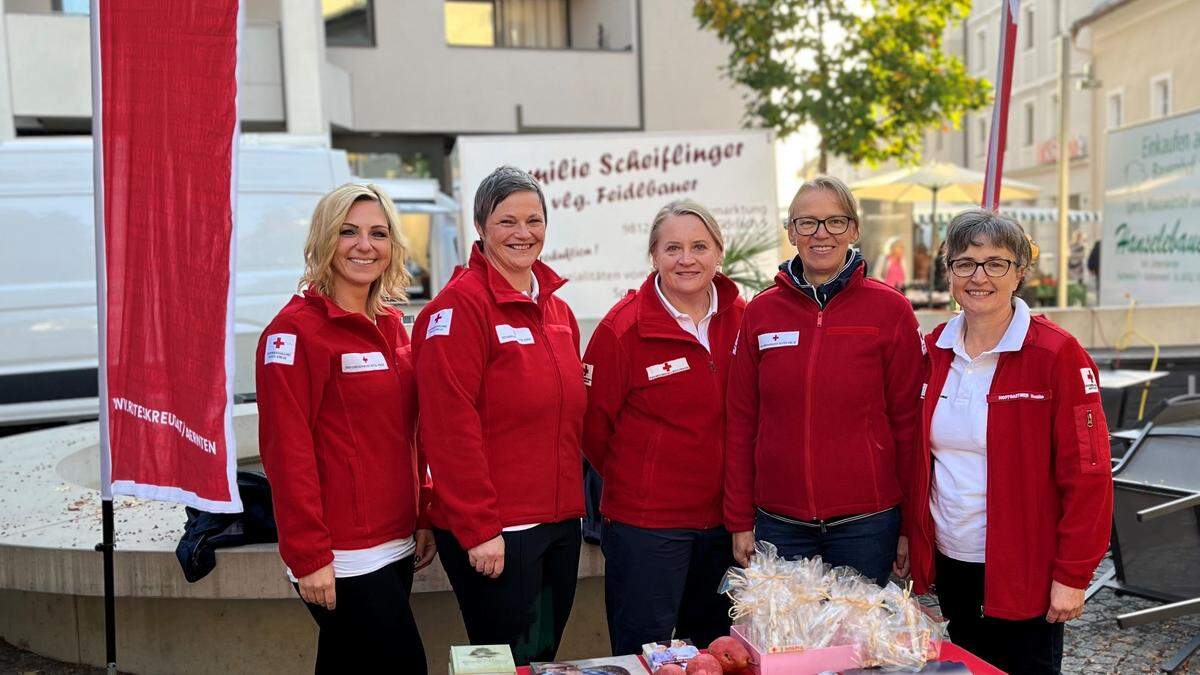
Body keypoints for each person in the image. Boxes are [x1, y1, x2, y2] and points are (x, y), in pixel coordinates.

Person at [907, 209, 1113, 674]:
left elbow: (1090, 475)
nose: (979, 276)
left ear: (1020, 273)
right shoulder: (935, 349)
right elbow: (917, 457)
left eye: (996, 263)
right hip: (952, 560)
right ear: (948, 273)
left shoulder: (1057, 354)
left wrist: (1072, 575)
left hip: (1025, 567)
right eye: (965, 263)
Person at [255, 183, 434, 673]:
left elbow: (410, 432)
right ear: (324, 239)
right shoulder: (293, 334)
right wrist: (309, 554)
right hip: (342, 552)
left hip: (395, 539)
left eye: (378, 233)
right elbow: (286, 452)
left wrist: (422, 509)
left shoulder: (394, 327)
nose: (364, 245)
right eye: (348, 231)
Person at [412, 166, 586, 666]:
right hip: (498, 532)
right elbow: (448, 428)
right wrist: (479, 527)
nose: (523, 233)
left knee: (543, 656)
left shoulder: (557, 311)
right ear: (481, 227)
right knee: (500, 661)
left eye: (534, 220)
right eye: (507, 221)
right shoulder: (458, 308)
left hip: (558, 523)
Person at [724, 176, 923, 586]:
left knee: (859, 646)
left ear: (853, 229)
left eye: (835, 221)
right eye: (808, 223)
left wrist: (909, 527)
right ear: (791, 231)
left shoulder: (891, 310)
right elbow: (741, 422)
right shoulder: (761, 313)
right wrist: (740, 519)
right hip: (780, 524)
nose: (821, 234)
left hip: (867, 524)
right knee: (788, 646)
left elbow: (909, 424)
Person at [582, 200, 746, 655]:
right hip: (646, 527)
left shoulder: (745, 319)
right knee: (644, 652)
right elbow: (593, 429)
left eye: (699, 246)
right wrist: (645, 479)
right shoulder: (622, 329)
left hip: (724, 525)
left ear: (719, 253)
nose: (686, 259)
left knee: (718, 652)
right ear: (654, 256)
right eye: (672, 248)